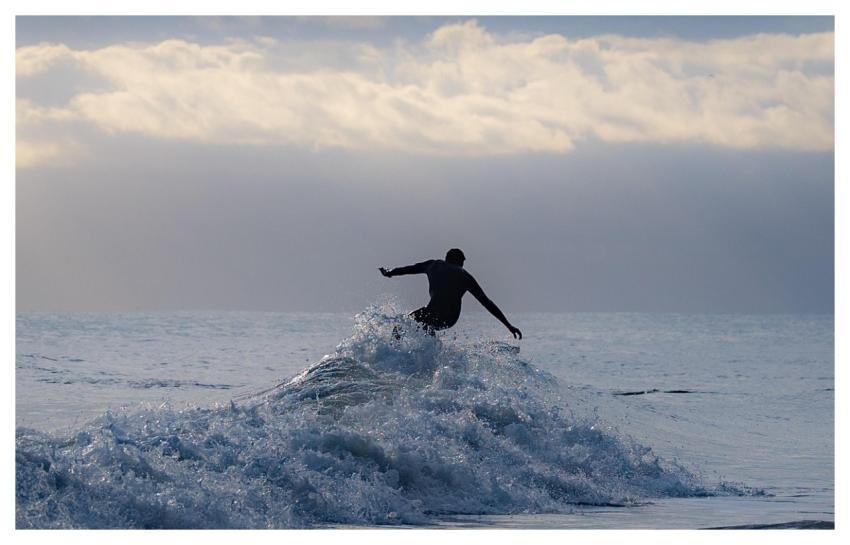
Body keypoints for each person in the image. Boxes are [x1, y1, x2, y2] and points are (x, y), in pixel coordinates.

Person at [379, 248, 522, 339]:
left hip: (431, 312)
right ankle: (431, 350)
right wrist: (508, 325)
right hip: (450, 319)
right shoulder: (465, 276)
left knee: (402, 326)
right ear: (459, 261)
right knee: (427, 327)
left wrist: (390, 272)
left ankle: (396, 352)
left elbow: (409, 269)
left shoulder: (433, 265)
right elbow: (487, 303)